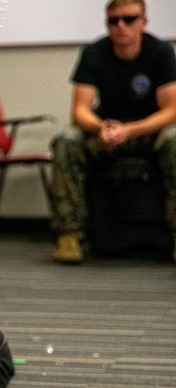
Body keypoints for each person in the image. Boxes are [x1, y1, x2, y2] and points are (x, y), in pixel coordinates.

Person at [49, 0, 176, 264]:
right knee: (65, 141)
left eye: (129, 19)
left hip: (147, 131)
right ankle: (69, 234)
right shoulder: (94, 53)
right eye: (113, 20)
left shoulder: (161, 53)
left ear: (144, 21)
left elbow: (171, 111)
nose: (121, 26)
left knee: (175, 139)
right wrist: (102, 128)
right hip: (108, 131)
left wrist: (130, 130)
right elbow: (79, 111)